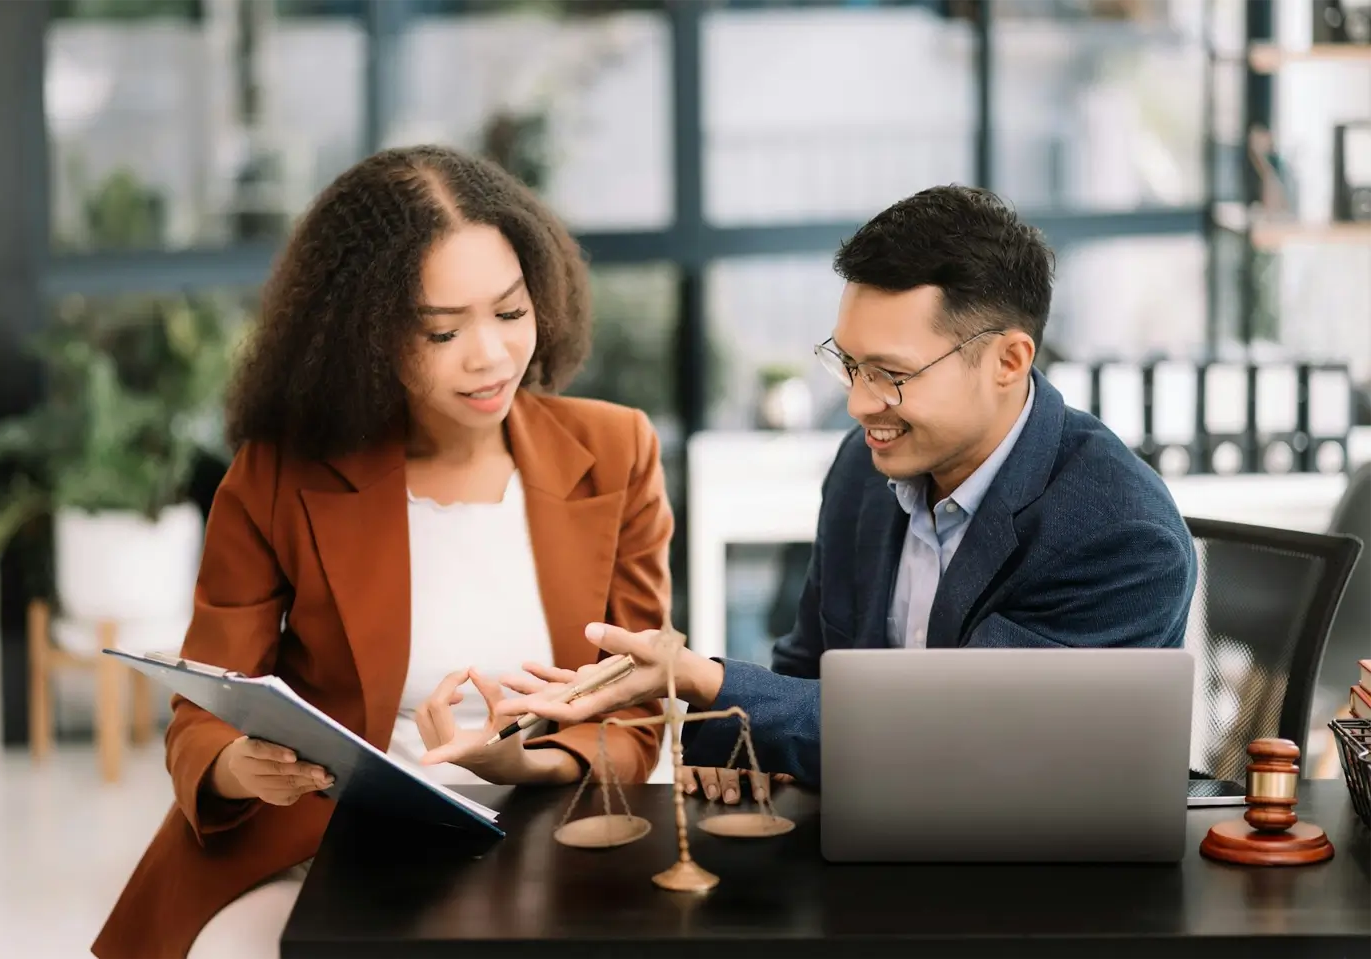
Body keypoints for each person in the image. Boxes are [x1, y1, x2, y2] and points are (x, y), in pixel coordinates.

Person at [91, 145, 671, 959]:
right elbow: (202, 714)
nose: (490, 356)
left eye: (510, 312)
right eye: (441, 329)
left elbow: (638, 710)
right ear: (361, 333)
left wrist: (526, 760)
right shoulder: (281, 471)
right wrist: (238, 765)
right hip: (322, 843)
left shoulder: (616, 450)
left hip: (540, 840)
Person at [492, 184, 1197, 797]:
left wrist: (705, 681)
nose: (860, 403)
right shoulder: (865, 470)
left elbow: (956, 737)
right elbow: (808, 665)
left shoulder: (1119, 532)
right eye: (847, 364)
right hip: (866, 843)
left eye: (889, 372)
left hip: (1041, 888)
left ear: (1009, 360)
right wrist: (746, 750)